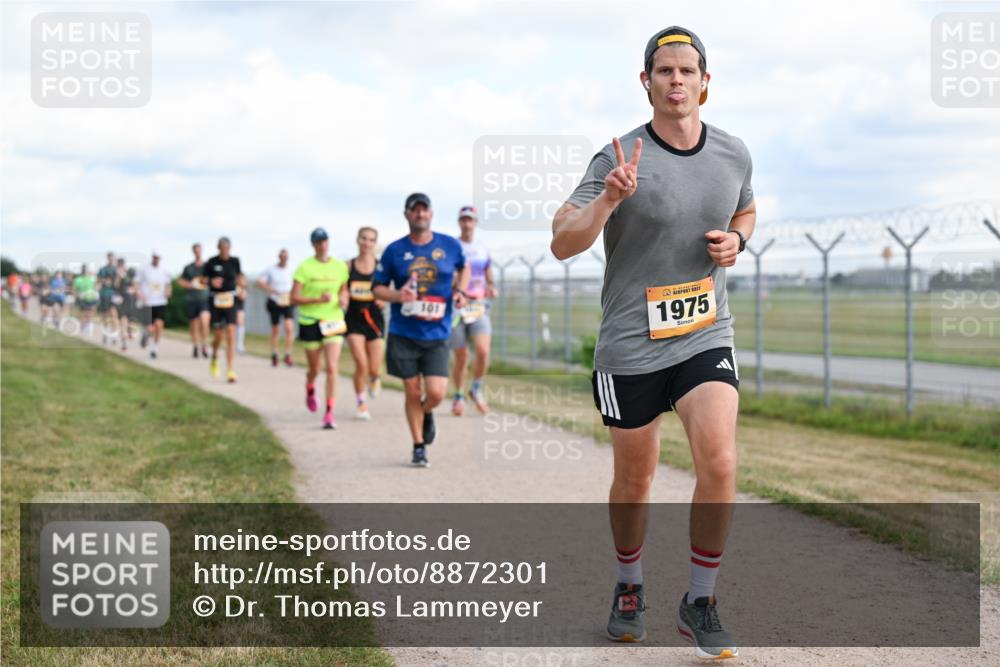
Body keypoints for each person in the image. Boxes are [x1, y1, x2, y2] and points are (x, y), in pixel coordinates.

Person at [550, 27, 755, 659]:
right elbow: (563, 239)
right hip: (630, 346)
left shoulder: (733, 153)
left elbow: (744, 209)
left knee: (719, 461)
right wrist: (608, 200)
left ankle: (700, 600)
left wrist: (737, 242)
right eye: (663, 71)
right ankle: (630, 585)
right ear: (646, 82)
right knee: (634, 480)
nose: (675, 81)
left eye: (686, 71)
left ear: (705, 83)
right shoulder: (617, 154)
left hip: (703, 332)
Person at [372, 193, 469, 467]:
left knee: (437, 393)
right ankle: (418, 446)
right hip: (404, 332)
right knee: (412, 391)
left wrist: (460, 290)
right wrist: (398, 295)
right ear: (407, 215)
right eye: (415, 211)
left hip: (437, 333)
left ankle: (426, 413)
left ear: (431, 214)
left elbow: (464, 268)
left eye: (424, 210)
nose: (420, 215)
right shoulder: (394, 250)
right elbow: (377, 288)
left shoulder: (449, 245)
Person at [291, 228, 349, 430]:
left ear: (328, 242)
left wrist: (343, 299)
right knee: (315, 368)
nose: (322, 244)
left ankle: (329, 412)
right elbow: (294, 298)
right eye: (318, 241)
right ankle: (310, 387)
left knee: (332, 367)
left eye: (325, 241)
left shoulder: (340, 267)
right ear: (313, 244)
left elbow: (344, 290)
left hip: (333, 320)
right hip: (310, 321)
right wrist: (317, 299)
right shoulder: (304, 267)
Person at [449, 206, 496, 416]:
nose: (467, 224)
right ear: (459, 222)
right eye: (464, 220)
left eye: (470, 220)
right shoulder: (453, 247)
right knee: (461, 356)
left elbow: (488, 272)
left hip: (478, 306)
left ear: (475, 223)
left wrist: (492, 286)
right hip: (457, 307)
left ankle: (476, 388)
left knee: (483, 351)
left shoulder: (482, 248)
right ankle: (458, 394)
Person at [345, 226, 386, 420]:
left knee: (374, 367)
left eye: (371, 240)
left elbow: (387, 290)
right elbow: (342, 288)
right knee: (361, 363)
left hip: (374, 320)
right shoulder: (348, 266)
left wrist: (383, 299)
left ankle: (375, 378)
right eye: (364, 238)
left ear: (375, 243)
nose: (367, 243)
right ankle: (361, 403)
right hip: (354, 320)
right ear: (357, 240)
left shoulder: (380, 267)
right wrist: (342, 296)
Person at [205, 237, 245, 382]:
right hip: (215, 300)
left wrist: (242, 287)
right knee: (218, 335)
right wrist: (211, 281)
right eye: (222, 247)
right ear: (218, 248)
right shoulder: (211, 262)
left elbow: (240, 278)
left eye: (227, 247)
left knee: (230, 332)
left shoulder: (235, 262)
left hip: (230, 299)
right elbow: (202, 280)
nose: (224, 250)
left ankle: (230, 369)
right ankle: (214, 355)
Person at [257, 248, 296, 367]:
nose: (284, 259)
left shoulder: (292, 270)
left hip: (287, 300)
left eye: (286, 257)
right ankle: (274, 353)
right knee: (276, 329)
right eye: (282, 257)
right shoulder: (271, 270)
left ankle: (288, 353)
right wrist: (269, 289)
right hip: (275, 300)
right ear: (279, 257)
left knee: (289, 327)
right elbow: (260, 281)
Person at [136, 250, 172, 359]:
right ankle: (145, 335)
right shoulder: (144, 270)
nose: (156, 259)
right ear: (152, 257)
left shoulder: (164, 271)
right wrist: (140, 295)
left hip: (160, 302)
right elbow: (136, 284)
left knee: (159, 325)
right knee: (149, 327)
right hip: (148, 302)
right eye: (155, 257)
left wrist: (168, 292)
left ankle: (154, 347)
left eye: (158, 258)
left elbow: (168, 285)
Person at [178, 243, 211, 358]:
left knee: (205, 321)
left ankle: (205, 345)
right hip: (192, 299)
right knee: (194, 324)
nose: (198, 252)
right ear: (193, 252)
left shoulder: (207, 266)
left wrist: (207, 281)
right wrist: (189, 284)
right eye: (196, 251)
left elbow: (213, 278)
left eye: (199, 250)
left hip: (204, 299)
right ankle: (195, 345)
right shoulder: (189, 268)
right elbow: (180, 281)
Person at [97, 252, 119, 345]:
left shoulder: (117, 270)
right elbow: (98, 280)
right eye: (109, 258)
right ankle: (105, 335)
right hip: (104, 295)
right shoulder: (103, 269)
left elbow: (120, 282)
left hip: (114, 295)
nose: (110, 259)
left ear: (114, 259)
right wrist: (104, 281)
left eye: (112, 258)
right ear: (107, 258)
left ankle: (114, 336)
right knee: (105, 316)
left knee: (114, 315)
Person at [112, 258, 133, 351]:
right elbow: (115, 285)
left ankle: (129, 332)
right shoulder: (116, 274)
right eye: (119, 264)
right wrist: (118, 276)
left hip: (129, 299)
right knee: (122, 319)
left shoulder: (129, 274)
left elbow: (133, 286)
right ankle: (124, 342)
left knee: (129, 321)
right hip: (119, 299)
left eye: (122, 264)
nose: (121, 266)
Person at [72, 264, 99, 335]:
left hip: (91, 298)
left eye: (86, 270)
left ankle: (88, 323)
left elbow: (96, 286)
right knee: (83, 314)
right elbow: (75, 290)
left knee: (90, 312)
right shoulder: (78, 280)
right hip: (82, 299)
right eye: (84, 270)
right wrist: (76, 296)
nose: (85, 272)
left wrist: (95, 292)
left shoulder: (91, 278)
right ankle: (82, 327)